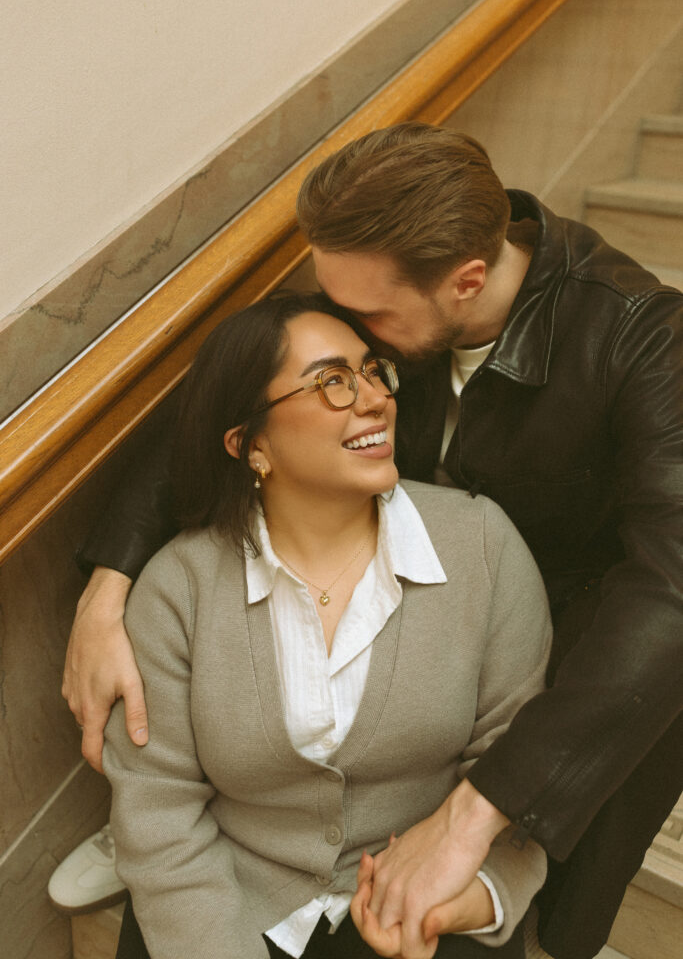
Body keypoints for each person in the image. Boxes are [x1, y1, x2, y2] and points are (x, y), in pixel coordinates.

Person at [62, 123, 682, 959]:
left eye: (366, 325)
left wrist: (474, 818)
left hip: (567, 618)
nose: (352, 346)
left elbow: (667, 588)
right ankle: (221, 822)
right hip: (369, 553)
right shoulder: (380, 274)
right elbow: (226, 407)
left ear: (466, 283)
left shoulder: (642, 337)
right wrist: (108, 593)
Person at [102, 293, 551, 959]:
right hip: (221, 907)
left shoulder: (480, 546)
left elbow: (522, 765)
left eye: (372, 372)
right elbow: (158, 812)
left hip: (423, 906)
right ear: (251, 445)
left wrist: (471, 897)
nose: (373, 400)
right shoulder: (180, 588)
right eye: (331, 382)